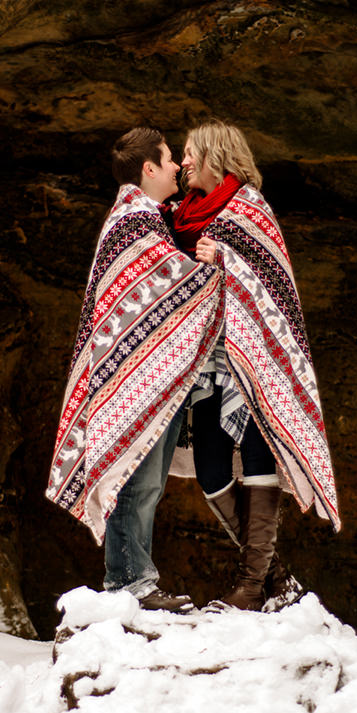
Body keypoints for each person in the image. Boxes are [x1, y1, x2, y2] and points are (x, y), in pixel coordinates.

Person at [46, 127, 222, 612]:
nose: (176, 168)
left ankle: (135, 579)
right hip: (132, 378)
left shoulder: (150, 220)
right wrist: (217, 270)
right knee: (136, 479)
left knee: (147, 481)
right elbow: (168, 285)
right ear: (148, 168)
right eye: (168, 160)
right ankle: (129, 584)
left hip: (145, 374)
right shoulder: (133, 221)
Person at [176, 119, 340, 610]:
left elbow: (276, 283)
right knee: (209, 468)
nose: (183, 162)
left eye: (189, 153)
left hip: (255, 360)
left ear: (212, 154)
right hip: (208, 364)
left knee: (257, 461)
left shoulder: (249, 208)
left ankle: (250, 585)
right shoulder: (183, 214)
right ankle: (276, 576)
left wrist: (224, 256)